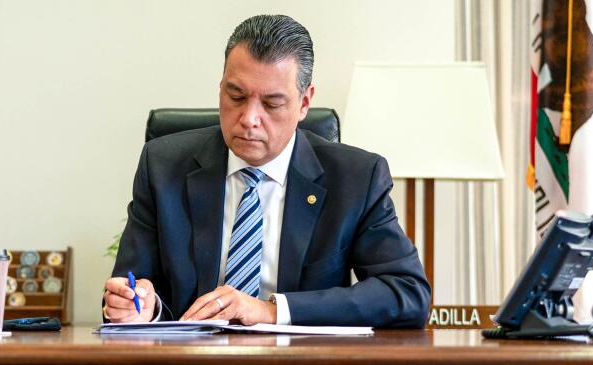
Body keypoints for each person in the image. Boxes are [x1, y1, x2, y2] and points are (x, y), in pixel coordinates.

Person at [103, 14, 430, 328]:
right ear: (221, 88)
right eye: (236, 96)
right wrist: (141, 307)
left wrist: (272, 311)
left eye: (272, 104)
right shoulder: (163, 166)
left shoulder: (356, 177)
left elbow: (407, 293)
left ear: (304, 103)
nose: (249, 118)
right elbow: (134, 289)